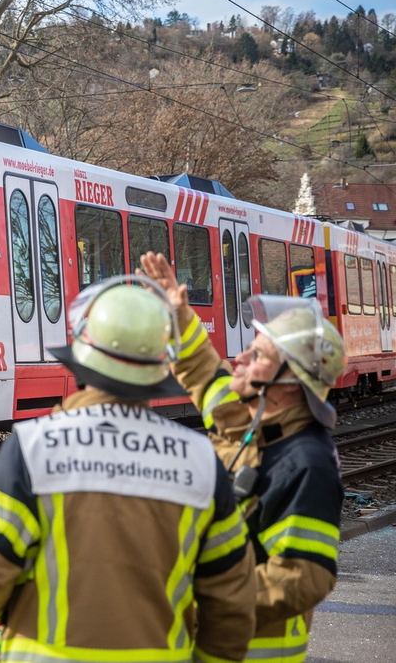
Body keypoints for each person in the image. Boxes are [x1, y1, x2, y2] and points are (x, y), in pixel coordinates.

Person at [0, 276, 256, 663]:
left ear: (81, 360)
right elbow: (231, 601)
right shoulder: (201, 461)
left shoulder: (34, 447)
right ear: (160, 370)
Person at [141, 251, 344, 663]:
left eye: (258, 356)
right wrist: (179, 315)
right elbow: (205, 373)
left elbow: (304, 577)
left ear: (289, 382)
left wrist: (202, 600)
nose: (240, 359)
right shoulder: (250, 423)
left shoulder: (306, 463)